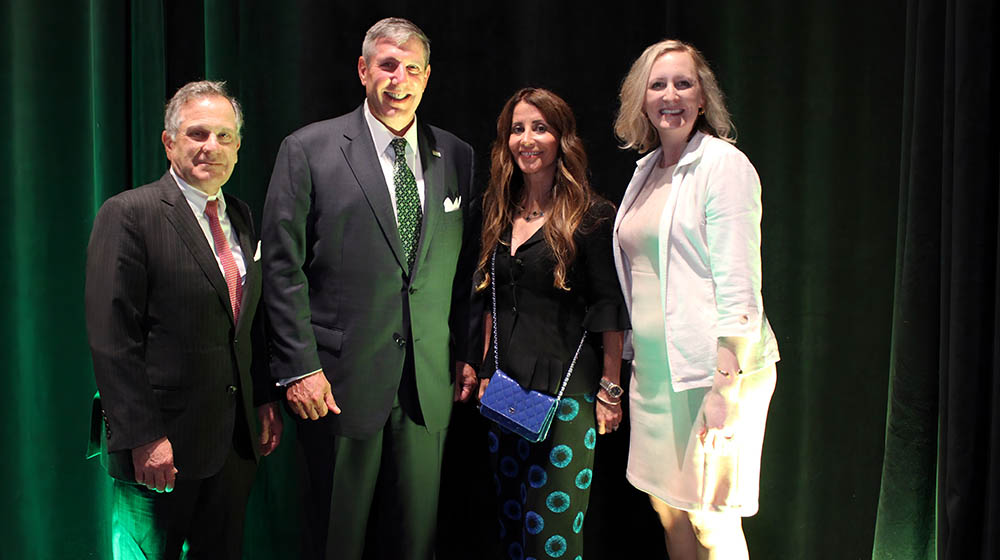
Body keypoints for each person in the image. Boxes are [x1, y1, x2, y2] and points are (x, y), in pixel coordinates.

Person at [260, 17, 481, 560]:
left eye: (411, 68)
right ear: (363, 70)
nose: (398, 79)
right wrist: (299, 368)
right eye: (386, 65)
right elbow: (282, 269)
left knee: (416, 542)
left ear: (427, 78)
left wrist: (468, 353)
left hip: (428, 387)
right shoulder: (308, 149)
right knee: (337, 540)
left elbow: (466, 270)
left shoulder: (456, 156)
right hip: (336, 386)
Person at [85, 80, 283, 559]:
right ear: (169, 142)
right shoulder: (129, 213)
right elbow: (113, 339)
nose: (211, 147)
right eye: (197, 134)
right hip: (158, 449)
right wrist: (142, 437)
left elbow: (247, 322)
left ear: (237, 147)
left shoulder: (240, 215)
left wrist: (263, 399)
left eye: (224, 136)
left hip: (232, 447)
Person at [611, 40, 781, 559]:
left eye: (683, 83)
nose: (670, 95)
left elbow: (739, 285)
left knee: (713, 519)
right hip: (657, 376)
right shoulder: (646, 172)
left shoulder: (723, 165)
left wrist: (725, 389)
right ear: (641, 99)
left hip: (715, 375)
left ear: (702, 97)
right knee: (667, 508)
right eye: (657, 85)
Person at [476, 87, 629, 560]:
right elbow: (490, 302)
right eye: (517, 129)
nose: (528, 139)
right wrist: (483, 372)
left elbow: (609, 308)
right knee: (512, 529)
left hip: (568, 399)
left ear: (562, 138)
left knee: (552, 540)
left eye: (540, 127)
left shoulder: (591, 215)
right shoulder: (499, 211)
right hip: (505, 391)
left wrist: (609, 390)